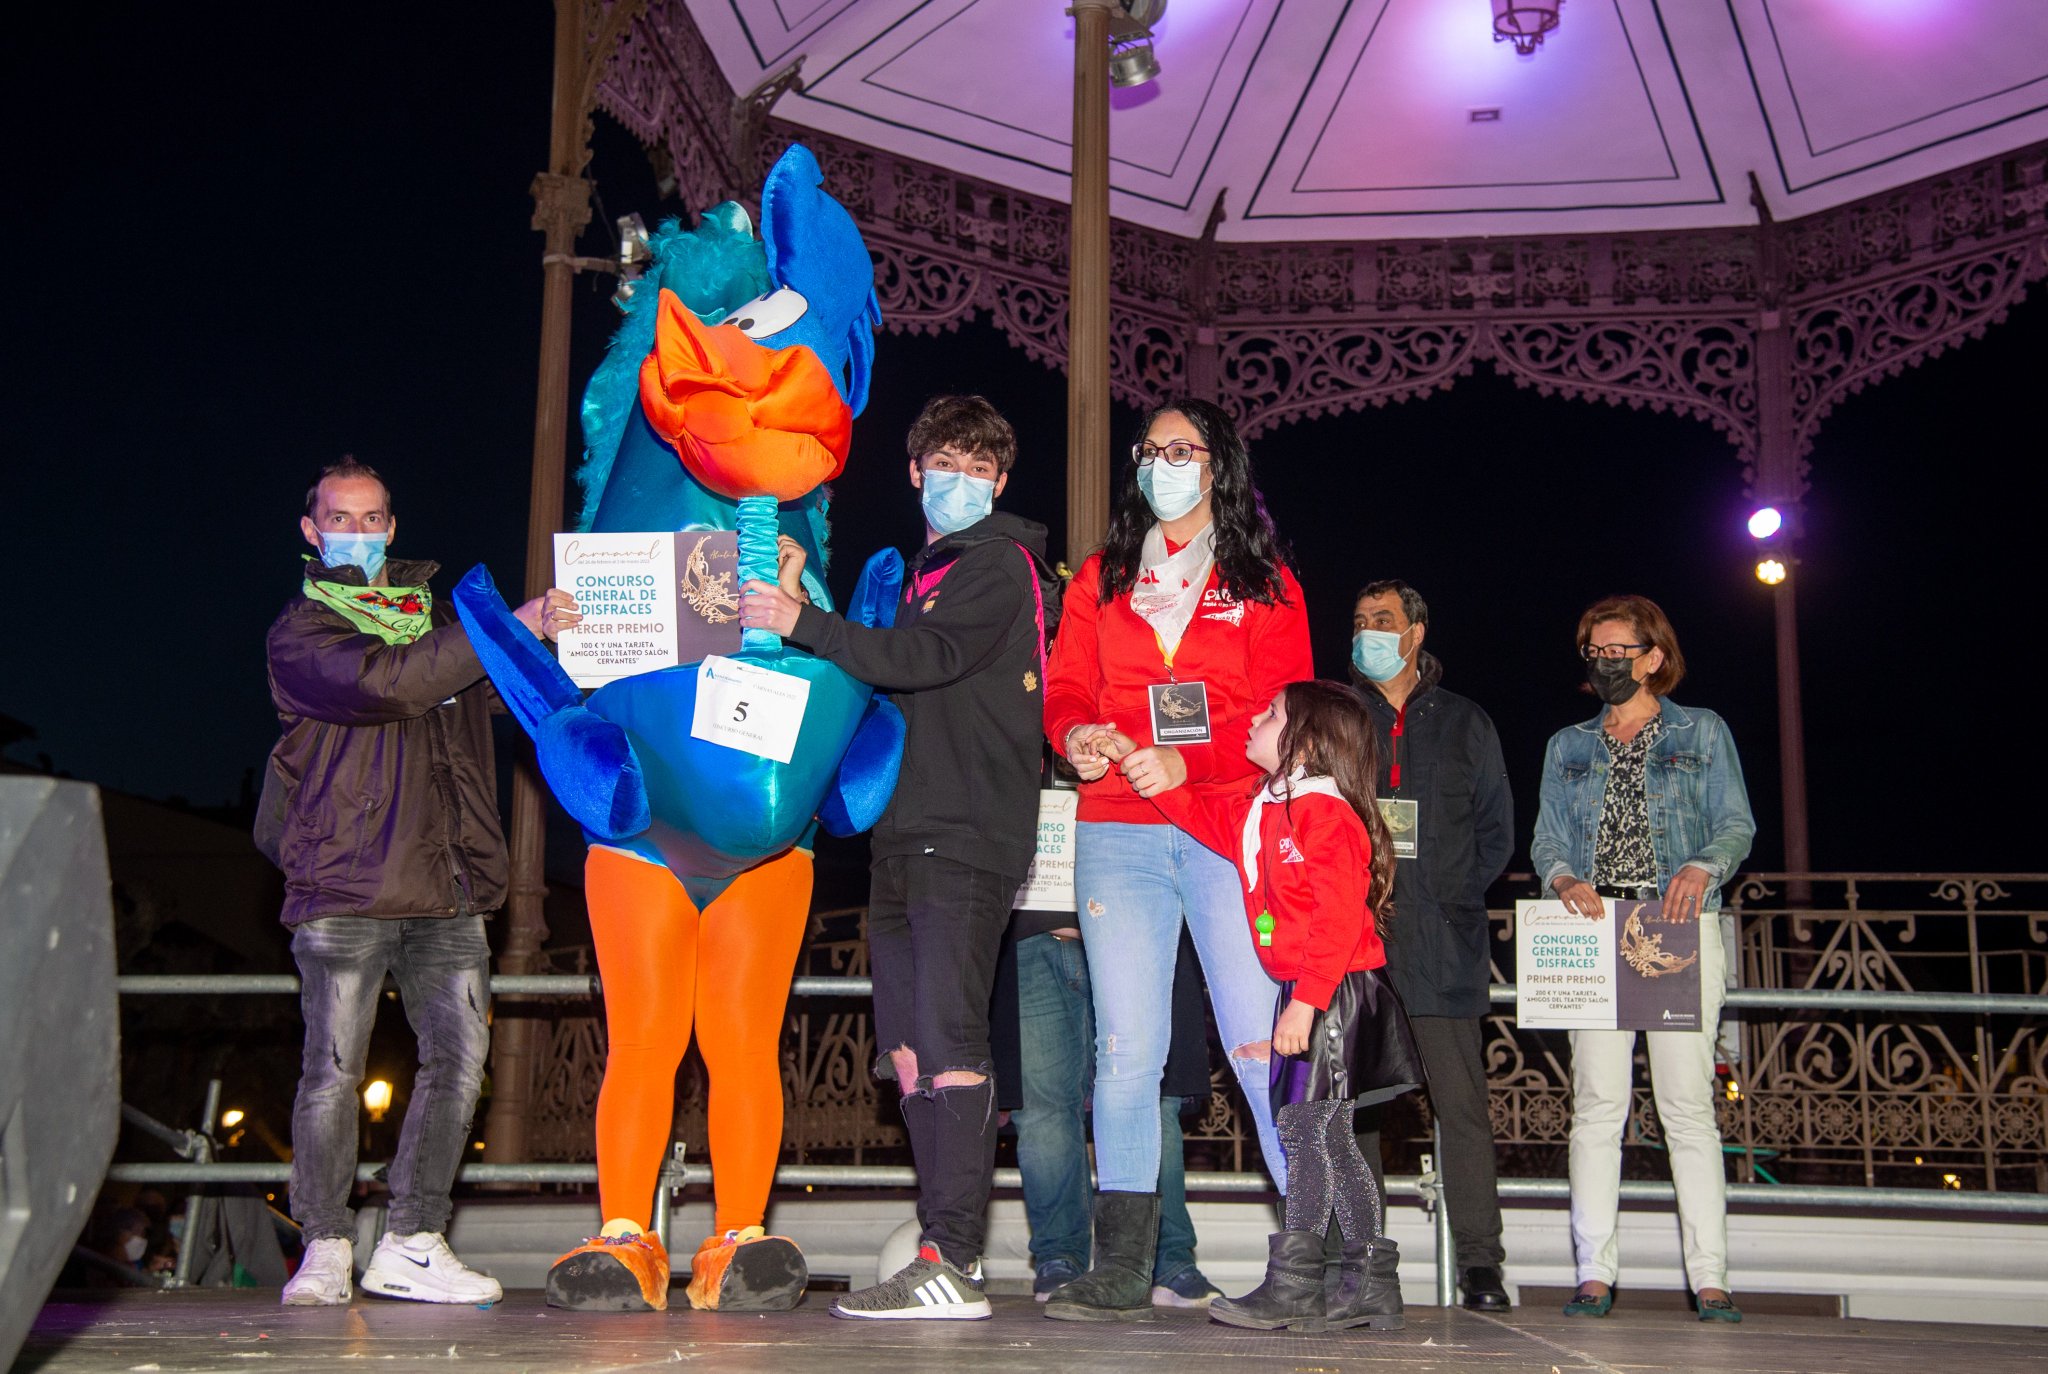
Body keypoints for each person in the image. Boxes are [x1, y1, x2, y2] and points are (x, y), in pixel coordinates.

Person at [740, 394, 1055, 1320]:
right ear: (914, 472)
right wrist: (819, 603)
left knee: (953, 1043)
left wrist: (800, 620)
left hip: (965, 835)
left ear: (1000, 483)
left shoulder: (1000, 565)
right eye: (945, 466)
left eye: (981, 471)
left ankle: (954, 1257)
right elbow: (880, 666)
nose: (962, 484)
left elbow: (921, 658)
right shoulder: (930, 568)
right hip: (905, 834)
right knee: (913, 1054)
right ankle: (938, 1247)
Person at [264, 458, 564, 1307]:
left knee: (460, 1065)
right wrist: (504, 626)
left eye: (372, 518)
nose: (356, 532)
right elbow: (389, 684)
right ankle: (324, 1243)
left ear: (393, 528)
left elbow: (497, 691)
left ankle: (411, 1239)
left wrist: (566, 637)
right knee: (332, 1071)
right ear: (311, 530)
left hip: (448, 882)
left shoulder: (440, 618)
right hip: (344, 884)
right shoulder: (302, 629)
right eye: (339, 518)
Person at [1042, 398, 1312, 1322]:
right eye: (1150, 450)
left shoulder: (1265, 580)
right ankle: (1123, 1264)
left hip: (1227, 826)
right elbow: (1071, 681)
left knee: (1255, 1038)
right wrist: (1075, 729)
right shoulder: (1101, 575)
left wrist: (1192, 757)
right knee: (1125, 1052)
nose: (1163, 463)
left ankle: (1315, 1256)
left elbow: (1290, 711)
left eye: (1182, 449)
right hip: (1116, 825)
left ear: (1218, 465)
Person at [1093, 679, 1423, 1332]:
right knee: (1331, 1140)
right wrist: (1145, 769)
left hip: (1332, 994)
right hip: (1314, 995)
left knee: (1305, 1138)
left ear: (1305, 742)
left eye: (1270, 713)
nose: (1253, 718)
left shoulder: (1324, 813)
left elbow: (1335, 918)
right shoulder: (1270, 808)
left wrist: (1301, 1010)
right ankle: (1371, 1283)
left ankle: (1297, 1285)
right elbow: (1207, 820)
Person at [1529, 595, 1755, 1323]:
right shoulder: (1568, 745)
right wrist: (1562, 877)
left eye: (1619, 649)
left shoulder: (1704, 732)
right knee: (1597, 1108)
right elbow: (1546, 840)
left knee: (1687, 1108)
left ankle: (1710, 1278)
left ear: (1654, 657)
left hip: (1676, 928)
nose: (1605, 660)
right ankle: (1594, 1273)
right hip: (1594, 936)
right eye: (1595, 649)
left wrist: (1701, 867)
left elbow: (1736, 825)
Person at [1348, 580, 1514, 1310]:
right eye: (1358, 622)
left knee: (1461, 1108)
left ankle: (1481, 1265)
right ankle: (1360, 1259)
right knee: (1354, 1110)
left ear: (1415, 632)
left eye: (1382, 621)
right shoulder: (1336, 716)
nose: (1368, 632)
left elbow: (1495, 833)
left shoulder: (1466, 722)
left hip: (1440, 939)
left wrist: (1444, 894)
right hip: (1355, 941)